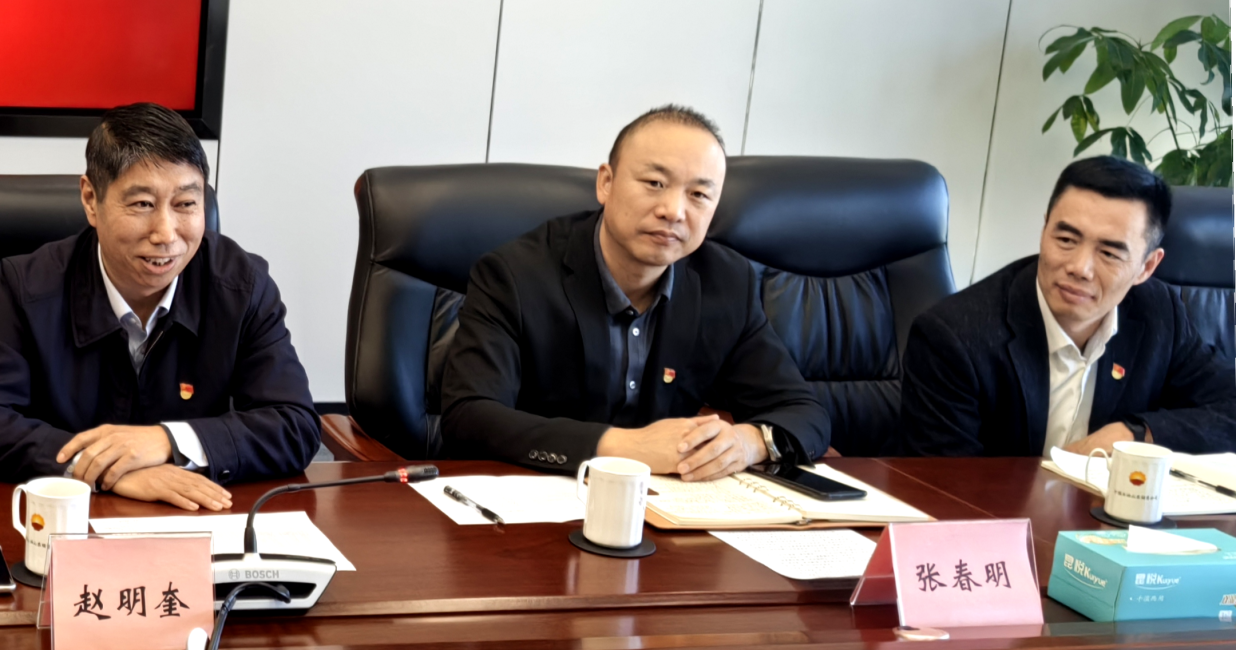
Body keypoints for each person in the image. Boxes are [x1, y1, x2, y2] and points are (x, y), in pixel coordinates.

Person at [0, 103, 320, 509]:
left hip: (191, 523)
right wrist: (109, 470)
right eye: (142, 204)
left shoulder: (241, 286)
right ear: (91, 199)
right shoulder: (31, 286)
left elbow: (294, 425)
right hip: (65, 519)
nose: (166, 234)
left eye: (185, 204)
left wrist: (167, 440)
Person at [440, 106, 830, 479]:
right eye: (655, 184)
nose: (674, 211)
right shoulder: (515, 274)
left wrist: (747, 443)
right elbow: (469, 416)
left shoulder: (726, 281)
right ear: (606, 183)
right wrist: (621, 447)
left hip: (666, 506)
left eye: (698, 195)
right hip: (537, 498)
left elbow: (803, 412)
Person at [901, 156, 1235, 457]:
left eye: (1109, 253)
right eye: (1066, 240)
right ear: (1044, 228)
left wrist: (1135, 434)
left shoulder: (1159, 314)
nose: (1079, 268)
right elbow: (943, 487)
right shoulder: (955, 337)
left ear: (1146, 267)